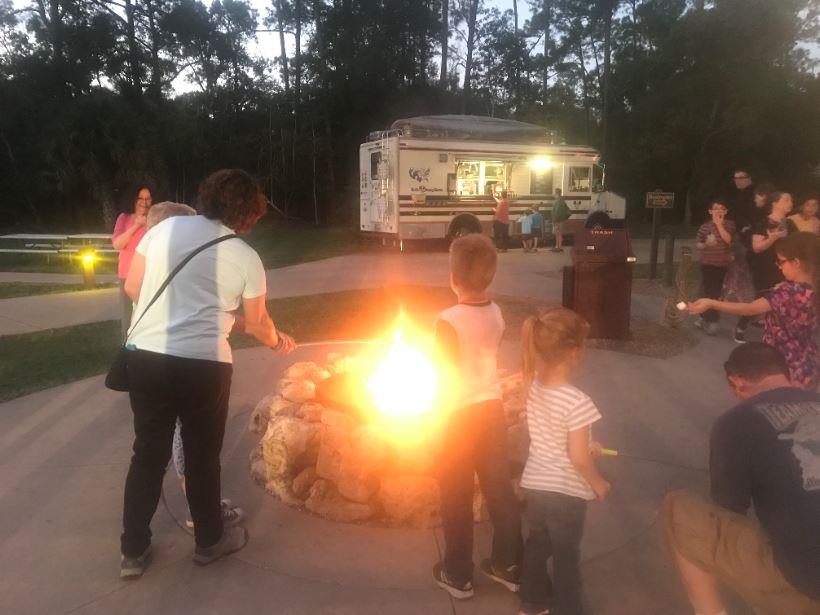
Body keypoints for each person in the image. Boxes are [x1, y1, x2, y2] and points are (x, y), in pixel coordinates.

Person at [119, 169, 296, 579]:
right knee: (201, 457)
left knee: (147, 453)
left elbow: (132, 287)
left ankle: (132, 551)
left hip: (146, 357)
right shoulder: (247, 258)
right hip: (203, 365)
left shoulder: (164, 230)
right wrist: (278, 342)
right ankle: (209, 542)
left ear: (208, 194)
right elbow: (257, 323)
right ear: (250, 213)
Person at [662, 343, 820, 615]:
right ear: (786, 373)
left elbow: (728, 509)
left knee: (677, 506)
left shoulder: (733, 423)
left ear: (738, 383)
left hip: (807, 583)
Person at [432, 233, 523, 600]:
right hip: (492, 410)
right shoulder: (497, 312)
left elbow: (445, 374)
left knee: (455, 495)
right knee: (500, 491)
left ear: (453, 278)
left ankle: (457, 574)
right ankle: (509, 564)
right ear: (491, 277)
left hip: (458, 417)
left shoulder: (447, 319)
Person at [517, 307, 610, 615]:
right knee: (566, 555)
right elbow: (578, 458)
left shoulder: (533, 387)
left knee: (537, 546)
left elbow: (552, 435)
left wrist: (586, 443)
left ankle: (531, 605)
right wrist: (598, 483)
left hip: (536, 487)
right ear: (574, 353)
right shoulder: (578, 401)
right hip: (565, 494)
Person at [689, 231, 819, 390]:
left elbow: (751, 309)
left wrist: (711, 303)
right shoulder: (811, 290)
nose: (779, 267)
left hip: (782, 366)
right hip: (809, 364)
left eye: (781, 262)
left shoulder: (788, 292)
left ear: (797, 263)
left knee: (775, 411)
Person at [733, 191, 798, 343]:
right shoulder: (763, 223)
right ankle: (741, 326)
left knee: (784, 298)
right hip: (764, 267)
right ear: (775, 203)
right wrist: (773, 238)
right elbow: (757, 248)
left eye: (791, 200)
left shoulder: (790, 224)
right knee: (763, 297)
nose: (790, 203)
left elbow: (797, 245)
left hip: (785, 267)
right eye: (786, 199)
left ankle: (775, 333)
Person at [112, 186, 152, 341]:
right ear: (134, 200)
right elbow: (118, 244)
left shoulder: (156, 220)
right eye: (140, 198)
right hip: (127, 276)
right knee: (128, 319)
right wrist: (137, 225)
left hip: (149, 276)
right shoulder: (124, 218)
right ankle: (127, 353)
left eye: (148, 198)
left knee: (148, 316)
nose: (144, 202)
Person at [694, 200, 735, 335]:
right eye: (716, 208)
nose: (719, 211)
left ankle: (703, 317)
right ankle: (712, 322)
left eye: (722, 208)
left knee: (714, 293)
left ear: (726, 211)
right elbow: (698, 245)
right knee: (711, 292)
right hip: (708, 264)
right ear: (710, 211)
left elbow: (729, 240)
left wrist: (719, 224)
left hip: (723, 264)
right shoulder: (704, 227)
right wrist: (706, 244)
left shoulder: (730, 225)